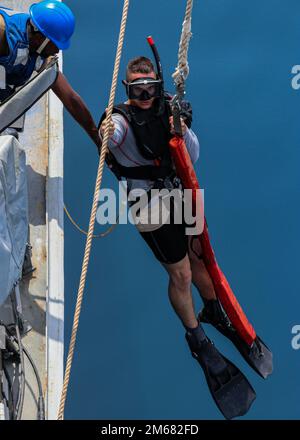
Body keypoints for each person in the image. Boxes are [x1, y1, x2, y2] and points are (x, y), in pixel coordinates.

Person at [99, 56, 256, 419]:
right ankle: (197, 339)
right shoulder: (121, 119)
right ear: (126, 90)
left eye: (148, 87)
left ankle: (214, 310)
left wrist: (181, 129)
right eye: (135, 88)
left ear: (157, 86)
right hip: (149, 205)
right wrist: (106, 130)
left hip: (178, 191)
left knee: (200, 256)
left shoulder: (169, 111)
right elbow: (113, 134)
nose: (142, 95)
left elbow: (193, 155)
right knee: (181, 274)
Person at [0, 1, 100, 147]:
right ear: (42, 37)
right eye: (56, 44)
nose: (57, 51)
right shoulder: (3, 33)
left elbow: (71, 99)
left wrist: (97, 139)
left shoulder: (38, 50)